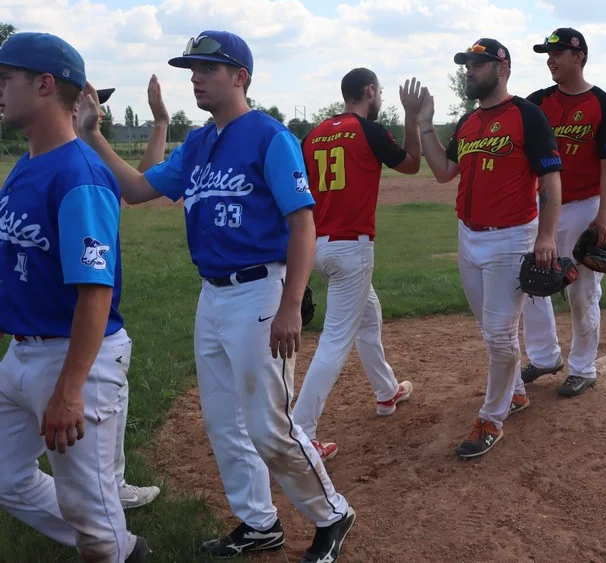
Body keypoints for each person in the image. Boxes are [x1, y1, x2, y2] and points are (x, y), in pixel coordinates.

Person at [75, 30, 355, 562]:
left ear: (240, 76)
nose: (195, 78)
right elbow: (136, 190)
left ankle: (333, 514)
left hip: (260, 292)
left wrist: (292, 302)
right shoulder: (199, 144)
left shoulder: (270, 137)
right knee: (225, 422)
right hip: (213, 296)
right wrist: (92, 136)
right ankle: (259, 522)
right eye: (192, 70)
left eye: (207, 68)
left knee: (269, 424)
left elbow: (302, 224)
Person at [0, 32, 149, 562]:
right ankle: (116, 542)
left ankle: (111, 546)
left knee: (89, 508)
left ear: (44, 85)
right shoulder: (24, 167)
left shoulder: (80, 176)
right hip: (21, 353)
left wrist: (70, 389)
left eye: (5, 78)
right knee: (7, 477)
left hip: (73, 356)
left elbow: (95, 292)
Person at [417, 37, 562, 458]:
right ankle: (515, 392)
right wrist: (424, 124)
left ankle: (491, 418)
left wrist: (546, 236)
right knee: (489, 328)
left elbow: (551, 183)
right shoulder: (467, 122)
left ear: (502, 68)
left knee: (500, 335)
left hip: (512, 237)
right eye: (466, 64)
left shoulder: (528, 117)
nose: (469, 70)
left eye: (477, 64)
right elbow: (444, 172)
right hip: (469, 235)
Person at [292, 68, 424, 459]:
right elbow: (413, 164)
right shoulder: (368, 130)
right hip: (352, 247)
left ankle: (387, 392)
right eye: (379, 91)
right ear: (369, 91)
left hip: (317, 244)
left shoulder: (314, 134)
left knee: (369, 315)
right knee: (335, 340)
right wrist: (412, 117)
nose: (379, 97)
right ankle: (301, 431)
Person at [519, 28, 606, 398]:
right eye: (547, 53)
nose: (550, 59)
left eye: (557, 53)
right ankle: (545, 355)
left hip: (583, 206)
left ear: (578, 57)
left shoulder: (603, 104)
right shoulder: (536, 102)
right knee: (533, 281)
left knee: (582, 291)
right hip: (543, 206)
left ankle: (583, 366)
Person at [85, 84, 163, 511]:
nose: (101, 112)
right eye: (94, 103)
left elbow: (140, 184)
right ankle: (103, 505)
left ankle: (112, 488)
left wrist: (160, 124)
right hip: (83, 319)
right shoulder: (79, 166)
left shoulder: (90, 161)